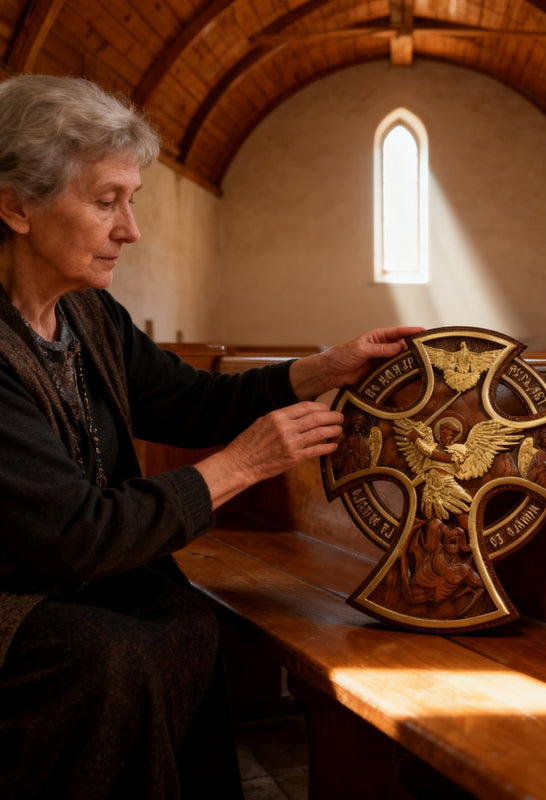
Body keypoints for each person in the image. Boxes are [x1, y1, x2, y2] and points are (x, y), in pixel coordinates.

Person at [0, 73, 422, 799]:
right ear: (16, 207)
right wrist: (244, 464)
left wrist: (325, 367)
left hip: (72, 578)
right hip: (15, 598)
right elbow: (77, 534)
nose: (130, 230)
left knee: (186, 618)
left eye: (130, 203)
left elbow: (193, 403)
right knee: (107, 654)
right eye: (106, 203)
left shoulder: (90, 319)